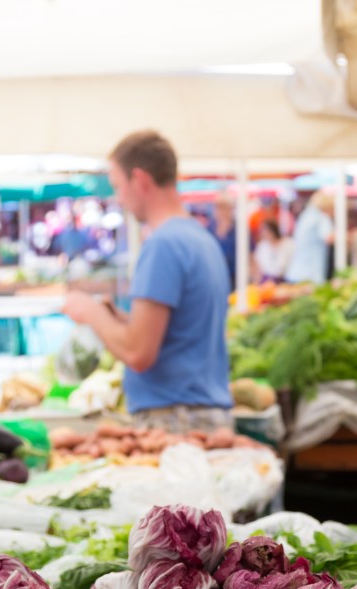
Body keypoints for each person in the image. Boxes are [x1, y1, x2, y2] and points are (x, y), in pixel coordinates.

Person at [62, 130, 232, 433]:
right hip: (201, 415)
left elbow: (139, 353)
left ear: (139, 180)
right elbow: (182, 330)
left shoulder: (163, 244)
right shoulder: (200, 239)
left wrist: (92, 314)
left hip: (176, 420)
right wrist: (121, 319)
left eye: (118, 186)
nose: (119, 198)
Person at [285, 191, 335, 284]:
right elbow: (329, 238)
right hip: (310, 276)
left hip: (296, 272)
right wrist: (348, 237)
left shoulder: (306, 215)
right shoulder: (321, 217)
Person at [209, 194, 238, 291]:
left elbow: (250, 256)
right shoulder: (210, 229)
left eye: (225, 208)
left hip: (234, 279)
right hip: (213, 278)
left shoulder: (239, 230)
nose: (221, 211)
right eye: (219, 208)